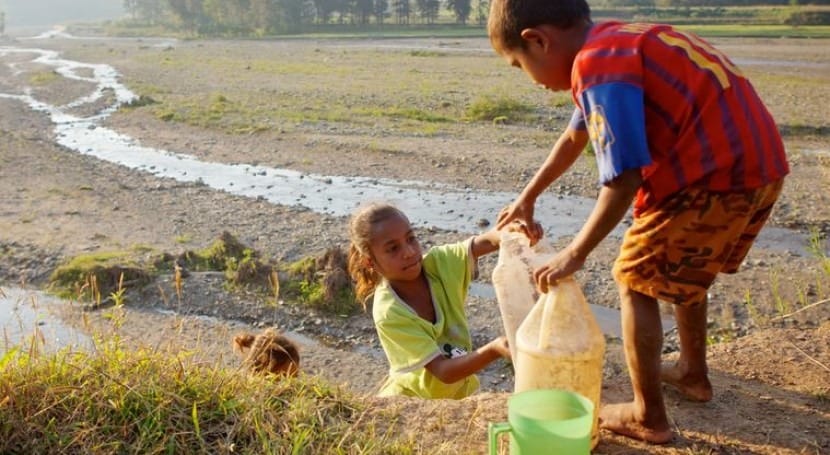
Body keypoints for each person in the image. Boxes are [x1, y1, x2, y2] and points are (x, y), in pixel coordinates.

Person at [487, 0, 789, 444]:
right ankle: (692, 373)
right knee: (683, 263)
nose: (528, 78)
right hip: (758, 169)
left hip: (713, 177)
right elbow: (575, 137)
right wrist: (528, 196)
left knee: (633, 278)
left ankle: (648, 417)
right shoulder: (614, 43)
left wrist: (575, 253)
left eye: (518, 65)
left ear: (538, 40)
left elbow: (623, 178)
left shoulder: (597, 67)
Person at [348, 202, 527, 399]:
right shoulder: (390, 312)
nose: (408, 252)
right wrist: (495, 349)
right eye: (392, 249)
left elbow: (485, 241)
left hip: (459, 391)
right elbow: (443, 372)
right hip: (415, 401)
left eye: (411, 239)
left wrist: (508, 232)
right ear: (370, 262)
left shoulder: (438, 264)